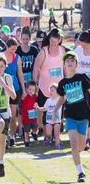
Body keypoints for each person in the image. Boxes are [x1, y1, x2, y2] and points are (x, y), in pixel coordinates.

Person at [54, 51, 90, 183]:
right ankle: (81, 173)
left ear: (76, 64)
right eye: (67, 61)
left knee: (80, 147)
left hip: (84, 116)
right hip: (70, 116)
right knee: (74, 145)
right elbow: (62, 99)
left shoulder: (82, 78)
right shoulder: (62, 83)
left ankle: (77, 155)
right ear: (64, 65)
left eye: (72, 61)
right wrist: (55, 111)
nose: (69, 63)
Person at [33, 28, 65, 133]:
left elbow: (64, 67)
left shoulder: (62, 50)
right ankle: (46, 132)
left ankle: (55, 133)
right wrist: (35, 84)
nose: (53, 44)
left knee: (58, 112)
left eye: (56, 42)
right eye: (51, 41)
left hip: (59, 88)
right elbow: (36, 67)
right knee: (46, 112)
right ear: (49, 39)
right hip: (44, 87)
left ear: (60, 40)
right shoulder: (44, 51)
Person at [3, 38, 25, 146]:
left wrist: (24, 90)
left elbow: (20, 74)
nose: (13, 52)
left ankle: (12, 135)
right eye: (12, 49)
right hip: (2, 90)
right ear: (7, 46)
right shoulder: (0, 57)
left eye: (15, 49)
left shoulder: (17, 58)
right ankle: (5, 136)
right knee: (4, 115)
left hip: (15, 89)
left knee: (12, 115)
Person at [37, 84, 62, 148]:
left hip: (57, 120)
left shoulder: (60, 99)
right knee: (48, 134)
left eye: (53, 90)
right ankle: (49, 139)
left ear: (57, 91)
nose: (51, 92)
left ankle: (57, 144)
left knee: (56, 134)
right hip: (49, 120)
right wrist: (39, 108)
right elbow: (44, 108)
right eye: (50, 91)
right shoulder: (48, 100)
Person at [21, 81, 39, 147]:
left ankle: (34, 133)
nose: (31, 91)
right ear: (26, 89)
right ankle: (26, 141)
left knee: (35, 127)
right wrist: (24, 93)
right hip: (26, 118)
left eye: (33, 90)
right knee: (26, 131)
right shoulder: (24, 96)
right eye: (29, 89)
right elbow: (22, 97)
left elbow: (37, 93)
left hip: (33, 116)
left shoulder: (35, 96)